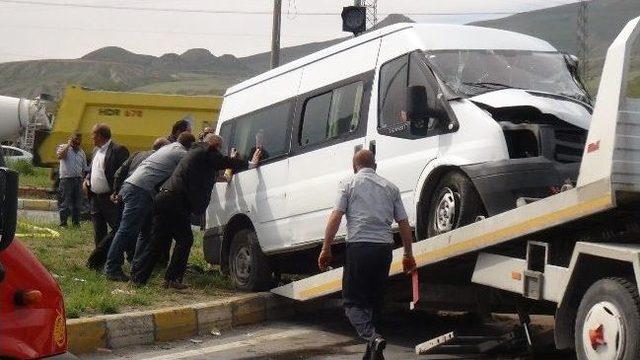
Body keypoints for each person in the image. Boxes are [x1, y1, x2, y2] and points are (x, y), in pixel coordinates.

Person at [317, 150, 417, 360]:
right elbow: (404, 224)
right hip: (383, 250)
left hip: (359, 248)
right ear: (376, 166)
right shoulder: (391, 188)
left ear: (354, 167)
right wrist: (408, 253)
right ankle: (373, 354)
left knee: (352, 303)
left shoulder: (348, 184)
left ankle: (372, 337)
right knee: (374, 303)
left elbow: (336, 217)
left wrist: (326, 247)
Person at [131, 134, 261, 289]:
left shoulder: (196, 152)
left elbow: (217, 167)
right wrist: (250, 163)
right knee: (184, 240)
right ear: (213, 144)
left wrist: (229, 163)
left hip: (167, 199)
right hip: (175, 203)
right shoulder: (205, 151)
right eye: (218, 148)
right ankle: (171, 278)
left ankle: (139, 278)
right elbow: (222, 161)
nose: (218, 151)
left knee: (157, 242)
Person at [103, 132, 195, 281]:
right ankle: (112, 268)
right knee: (126, 230)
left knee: (145, 232)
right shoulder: (180, 153)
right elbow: (191, 169)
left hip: (135, 186)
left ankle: (137, 268)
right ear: (190, 145)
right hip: (140, 190)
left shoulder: (169, 148)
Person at [86, 137, 170, 270]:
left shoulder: (138, 154)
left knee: (127, 230)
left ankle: (127, 261)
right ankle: (110, 265)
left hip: (125, 192)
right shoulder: (159, 160)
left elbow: (120, 172)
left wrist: (117, 191)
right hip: (140, 196)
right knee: (126, 230)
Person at [84, 124, 129, 248]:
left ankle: (125, 258)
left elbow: (125, 174)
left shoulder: (118, 150)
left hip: (110, 199)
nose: (91, 137)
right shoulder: (95, 150)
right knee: (98, 231)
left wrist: (118, 193)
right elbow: (92, 170)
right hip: (95, 198)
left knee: (118, 229)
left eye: (92, 134)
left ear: (99, 136)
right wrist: (87, 179)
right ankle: (100, 261)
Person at [56, 133, 87, 227]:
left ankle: (76, 224)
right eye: (75, 139)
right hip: (66, 180)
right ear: (70, 139)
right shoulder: (63, 147)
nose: (77, 141)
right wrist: (68, 145)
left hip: (78, 180)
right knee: (65, 203)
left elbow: (84, 168)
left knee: (77, 203)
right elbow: (60, 156)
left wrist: (84, 180)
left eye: (79, 140)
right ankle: (63, 224)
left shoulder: (82, 152)